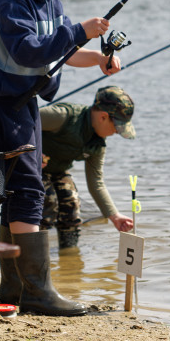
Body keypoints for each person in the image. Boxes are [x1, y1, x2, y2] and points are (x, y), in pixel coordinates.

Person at [0, 0, 121, 317]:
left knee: (18, 191)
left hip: (23, 100)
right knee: (29, 190)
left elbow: (62, 52)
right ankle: (36, 291)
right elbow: (28, 52)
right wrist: (77, 32)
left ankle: (14, 290)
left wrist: (98, 59)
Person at [40, 86, 137, 250]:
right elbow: (21, 120)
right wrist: (30, 151)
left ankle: (69, 260)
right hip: (23, 164)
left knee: (70, 202)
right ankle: (31, 256)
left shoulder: (97, 145)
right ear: (103, 117)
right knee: (47, 201)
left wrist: (115, 216)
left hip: (56, 171)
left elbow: (96, 183)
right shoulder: (63, 117)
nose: (115, 133)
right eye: (117, 127)